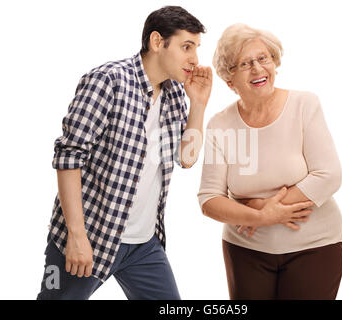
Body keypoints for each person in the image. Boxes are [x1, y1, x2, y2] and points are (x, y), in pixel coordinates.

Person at [37, 6, 212, 300]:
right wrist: (77, 236)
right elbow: (69, 157)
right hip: (91, 236)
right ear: (157, 42)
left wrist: (198, 105)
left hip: (144, 245)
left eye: (196, 48)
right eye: (186, 46)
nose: (194, 59)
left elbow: (187, 158)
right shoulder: (108, 80)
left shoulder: (175, 94)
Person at [197, 23, 342, 300]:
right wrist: (260, 217)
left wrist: (264, 208)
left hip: (315, 247)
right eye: (244, 64)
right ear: (230, 81)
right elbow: (209, 199)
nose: (257, 69)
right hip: (246, 252)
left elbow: (329, 175)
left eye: (263, 58)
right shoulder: (220, 125)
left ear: (274, 63)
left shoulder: (304, 105)